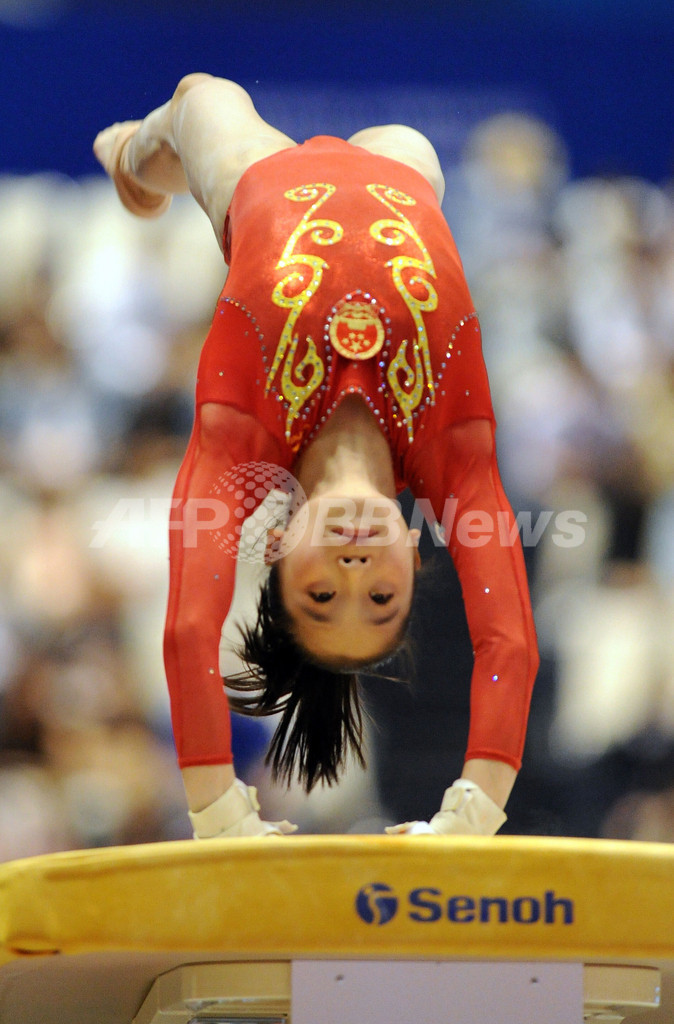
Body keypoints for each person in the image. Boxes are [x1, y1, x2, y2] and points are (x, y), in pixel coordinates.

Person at [94, 73, 539, 839]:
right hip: (404, 179)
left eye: (321, 597)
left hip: (254, 182)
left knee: (206, 99)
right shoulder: (457, 455)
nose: (354, 570)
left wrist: (217, 811)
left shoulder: (238, 438)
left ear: (273, 546)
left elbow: (188, 632)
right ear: (413, 553)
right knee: (408, 145)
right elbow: (509, 641)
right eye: (380, 600)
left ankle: (133, 156)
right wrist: (475, 812)